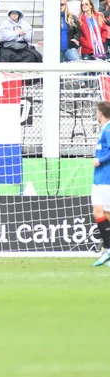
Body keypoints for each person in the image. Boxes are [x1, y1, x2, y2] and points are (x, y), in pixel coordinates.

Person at [91, 102, 110, 266]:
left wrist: (100, 160)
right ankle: (108, 250)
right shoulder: (104, 129)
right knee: (98, 212)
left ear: (101, 113)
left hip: (106, 178)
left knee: (108, 213)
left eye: (97, 111)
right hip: (97, 179)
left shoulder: (109, 129)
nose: (96, 114)